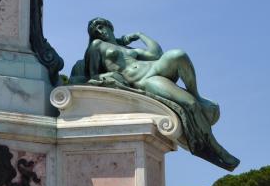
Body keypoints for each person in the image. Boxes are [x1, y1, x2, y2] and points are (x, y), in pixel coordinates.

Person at [71, 18, 239, 170]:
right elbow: (93, 75)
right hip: (145, 80)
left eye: (102, 26)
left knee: (178, 55)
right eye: (95, 29)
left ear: (110, 27)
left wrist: (140, 35)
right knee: (190, 104)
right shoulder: (96, 46)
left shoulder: (127, 48)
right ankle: (217, 149)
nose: (99, 30)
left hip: (154, 67)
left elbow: (156, 54)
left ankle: (197, 94)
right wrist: (110, 76)